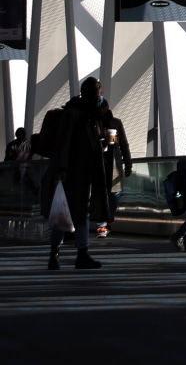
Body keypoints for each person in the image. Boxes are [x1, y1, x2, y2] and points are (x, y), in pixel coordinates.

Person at [47, 77, 112, 270]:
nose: (100, 99)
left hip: (83, 172)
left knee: (71, 213)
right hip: (72, 173)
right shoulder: (75, 113)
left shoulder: (89, 115)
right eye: (98, 95)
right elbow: (64, 142)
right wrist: (62, 169)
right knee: (69, 213)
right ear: (92, 94)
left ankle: (61, 254)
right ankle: (72, 254)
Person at [93, 100, 132, 238]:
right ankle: (102, 225)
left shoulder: (115, 123)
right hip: (98, 165)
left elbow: (122, 144)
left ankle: (108, 220)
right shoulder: (93, 123)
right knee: (100, 195)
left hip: (113, 164)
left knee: (114, 195)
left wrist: (128, 163)